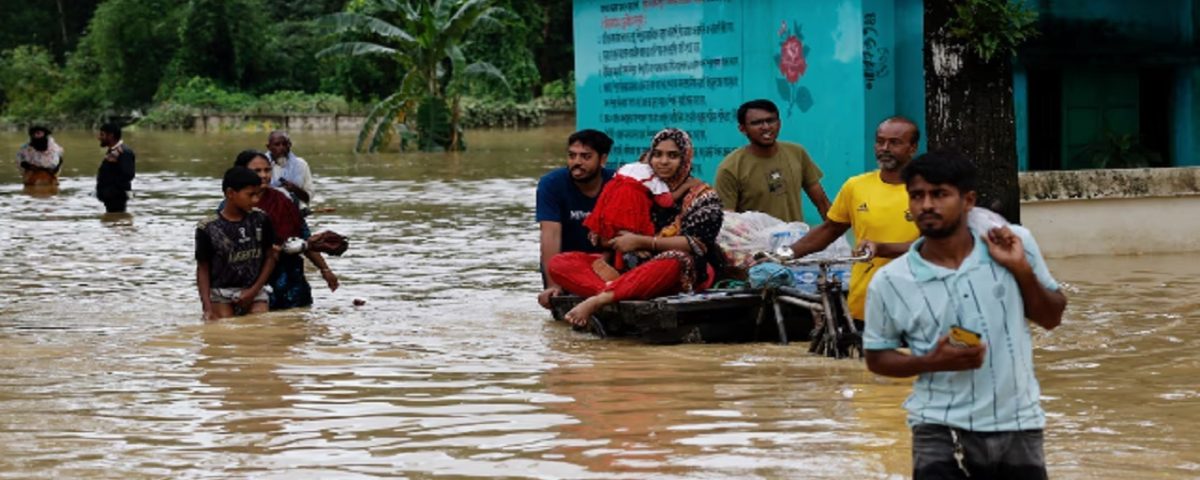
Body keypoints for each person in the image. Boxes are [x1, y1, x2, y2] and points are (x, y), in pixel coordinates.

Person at [863, 150, 1067, 479]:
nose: (926, 205)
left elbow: (1051, 318)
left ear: (968, 200)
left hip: (1018, 421)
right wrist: (931, 362)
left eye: (940, 194)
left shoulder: (1015, 244)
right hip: (937, 424)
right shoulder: (890, 281)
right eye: (917, 196)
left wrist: (1020, 269)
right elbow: (876, 358)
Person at [546, 128, 725, 326]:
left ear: (685, 159)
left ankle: (601, 299)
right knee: (560, 262)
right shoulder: (635, 186)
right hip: (628, 271)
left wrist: (641, 242)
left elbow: (697, 244)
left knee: (677, 258)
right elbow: (598, 236)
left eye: (672, 156)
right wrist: (615, 239)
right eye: (657, 154)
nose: (663, 161)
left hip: (680, 272)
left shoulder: (703, 196)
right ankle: (621, 290)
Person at [787, 116, 922, 325]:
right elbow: (829, 230)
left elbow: (936, 247)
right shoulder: (856, 186)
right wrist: (785, 253)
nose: (884, 148)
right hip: (864, 304)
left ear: (912, 148)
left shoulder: (929, 191)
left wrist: (882, 248)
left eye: (894, 142)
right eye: (880, 141)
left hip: (917, 307)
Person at [234, 150, 339, 309]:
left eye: (267, 170)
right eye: (257, 171)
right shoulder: (233, 206)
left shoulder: (285, 199)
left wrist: (325, 270)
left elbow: (303, 237)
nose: (264, 175)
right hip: (252, 286)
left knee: (295, 326)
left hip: (292, 284)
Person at [536, 129, 616, 309]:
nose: (577, 162)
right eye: (572, 156)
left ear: (602, 159)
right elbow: (550, 234)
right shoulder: (551, 184)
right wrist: (552, 285)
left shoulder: (617, 183)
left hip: (605, 262)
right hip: (566, 266)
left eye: (585, 157)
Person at [715, 99, 830, 223]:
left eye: (770, 120)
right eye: (756, 123)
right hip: (755, 242)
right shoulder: (730, 168)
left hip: (798, 241)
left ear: (779, 123)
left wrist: (837, 237)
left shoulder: (797, 153)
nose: (766, 127)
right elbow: (727, 222)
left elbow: (822, 202)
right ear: (742, 129)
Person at [195, 166, 279, 321]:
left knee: (260, 327)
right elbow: (203, 268)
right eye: (250, 195)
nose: (256, 200)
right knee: (225, 329)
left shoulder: (261, 220)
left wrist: (253, 291)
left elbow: (271, 257)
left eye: (258, 194)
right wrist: (207, 308)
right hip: (221, 293)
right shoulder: (207, 228)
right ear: (230, 194)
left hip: (255, 290)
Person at [583, 160, 674, 272]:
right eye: (658, 155)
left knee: (615, 240)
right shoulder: (653, 177)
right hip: (631, 217)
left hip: (609, 206)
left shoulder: (624, 170)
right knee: (625, 244)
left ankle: (606, 264)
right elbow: (666, 201)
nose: (663, 161)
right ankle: (615, 268)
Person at [265, 130, 314, 208]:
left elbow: (308, 198)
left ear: (290, 145)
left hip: (294, 211)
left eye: (285, 144)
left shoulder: (301, 165)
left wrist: (295, 189)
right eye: (277, 144)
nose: (282, 148)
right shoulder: (261, 165)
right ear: (269, 147)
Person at [96, 123, 136, 213]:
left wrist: (110, 191)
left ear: (111, 136)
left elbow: (128, 175)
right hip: (111, 198)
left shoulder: (124, 152)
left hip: (116, 198)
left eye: (102, 134)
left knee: (117, 222)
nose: (99, 137)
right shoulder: (113, 151)